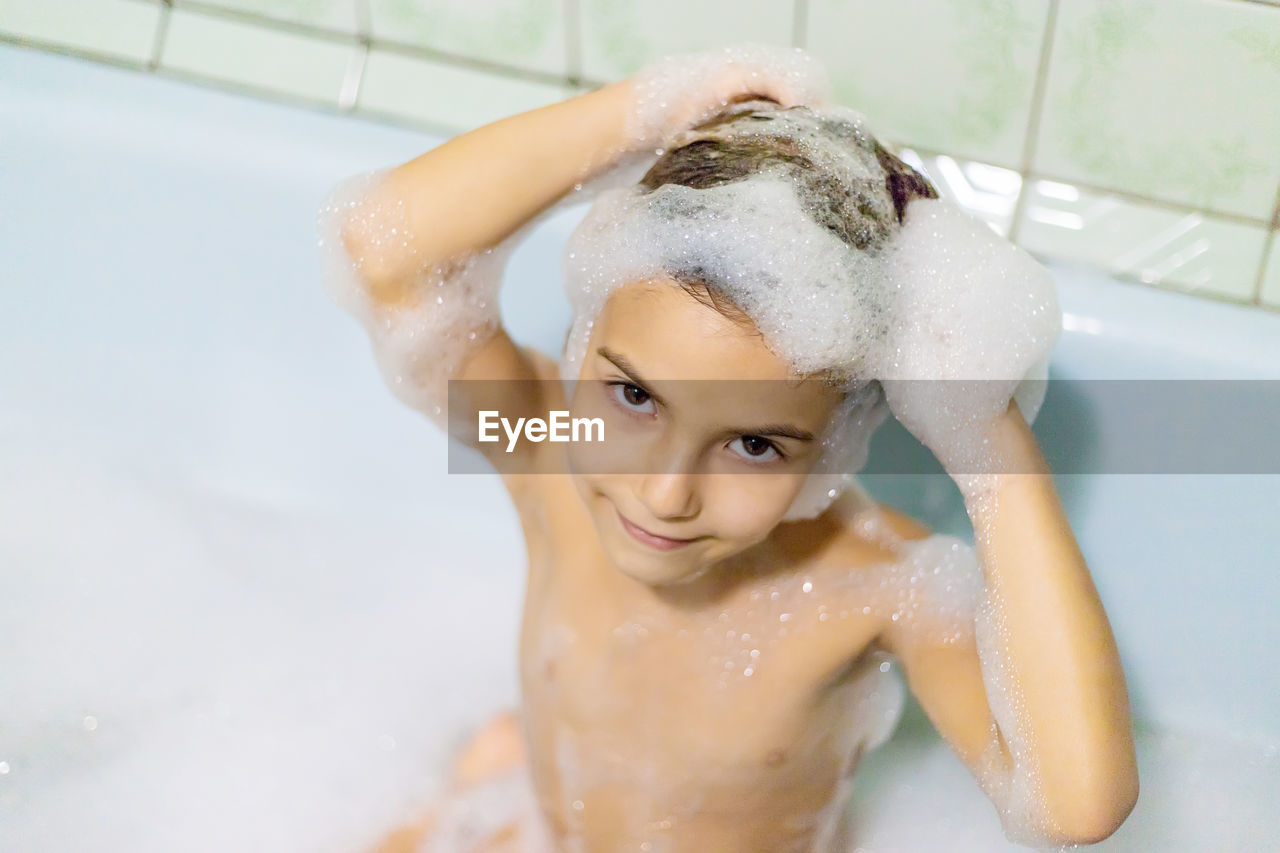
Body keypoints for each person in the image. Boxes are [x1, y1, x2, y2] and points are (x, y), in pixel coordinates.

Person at [320, 44, 1138, 853]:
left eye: (753, 444)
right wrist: (648, 112)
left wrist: (984, 437)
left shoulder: (874, 588)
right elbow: (387, 257)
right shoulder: (545, 449)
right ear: (583, 339)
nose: (666, 491)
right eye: (635, 395)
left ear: (835, 440)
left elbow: (1071, 804)